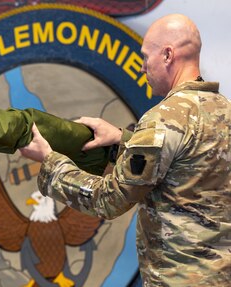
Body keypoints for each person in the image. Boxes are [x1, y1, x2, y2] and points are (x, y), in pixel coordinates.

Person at [19, 14, 231, 286]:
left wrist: (50, 162)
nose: (143, 68)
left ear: (167, 55)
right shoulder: (223, 110)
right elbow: (187, 163)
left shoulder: (164, 119)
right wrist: (124, 138)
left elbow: (109, 199)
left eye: (145, 57)